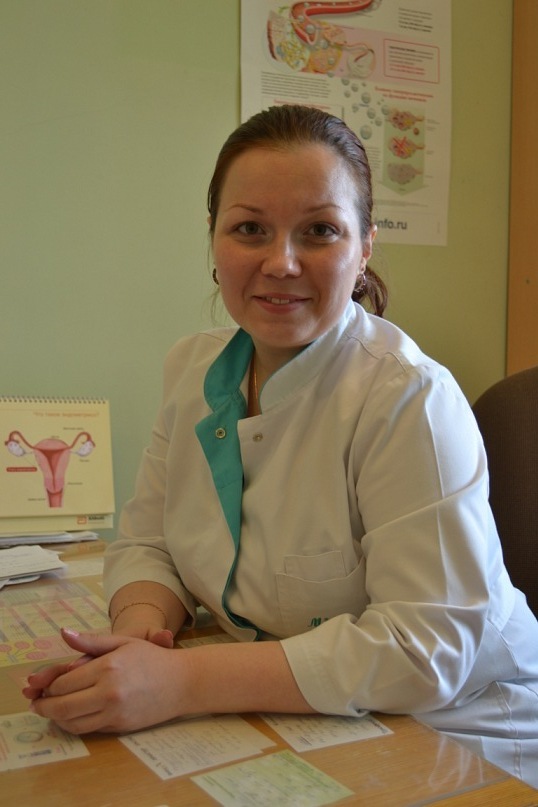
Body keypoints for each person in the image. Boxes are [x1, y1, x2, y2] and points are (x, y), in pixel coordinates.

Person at [23, 104, 538, 788]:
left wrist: (181, 680)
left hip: (460, 730)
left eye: (320, 230)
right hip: (292, 714)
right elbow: (149, 542)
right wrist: (142, 635)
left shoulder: (407, 397)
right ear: (214, 240)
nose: (282, 262)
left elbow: (424, 649)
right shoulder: (193, 370)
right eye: (249, 229)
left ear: (364, 249)